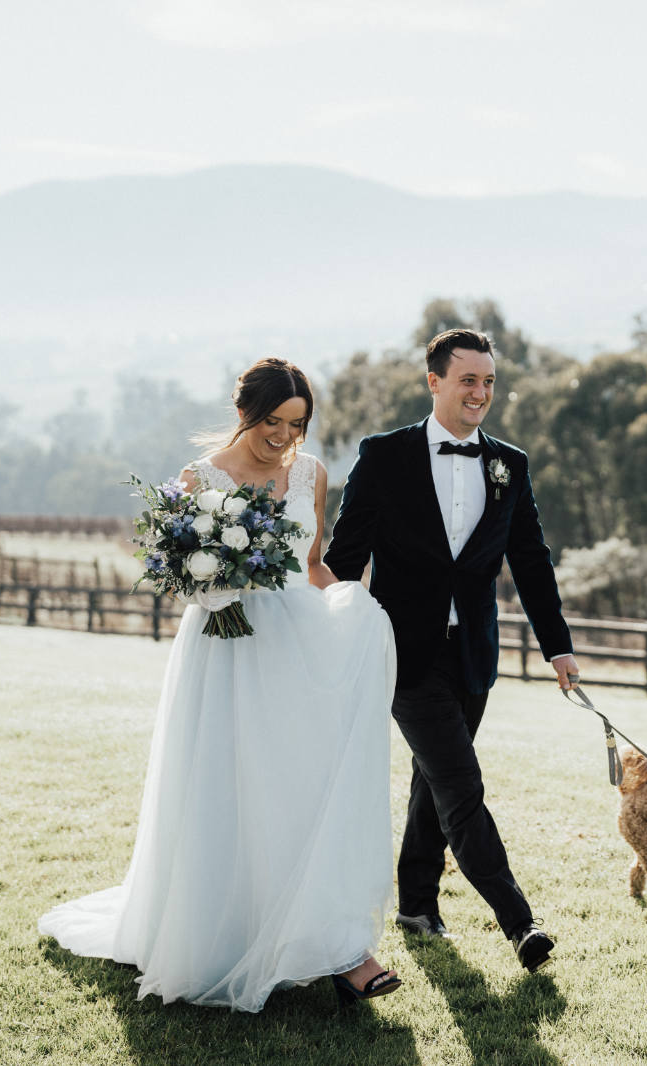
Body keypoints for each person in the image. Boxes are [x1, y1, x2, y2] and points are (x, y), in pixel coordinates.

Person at [39, 358, 403, 1011]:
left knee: (303, 787)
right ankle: (224, 937)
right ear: (245, 414)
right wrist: (210, 588)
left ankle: (337, 946)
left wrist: (352, 609)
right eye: (273, 423)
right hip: (225, 648)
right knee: (229, 786)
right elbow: (182, 575)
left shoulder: (313, 473)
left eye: (297, 424)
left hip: (299, 648)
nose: (284, 437)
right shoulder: (199, 481)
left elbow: (312, 564)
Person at [324, 328, 579, 973]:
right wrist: (328, 633)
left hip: (473, 655)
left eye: (489, 381)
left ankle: (416, 903)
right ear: (433, 381)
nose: (481, 393)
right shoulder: (385, 456)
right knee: (461, 784)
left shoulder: (509, 465)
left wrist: (558, 647)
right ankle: (520, 923)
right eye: (468, 380)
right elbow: (344, 558)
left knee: (432, 778)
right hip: (404, 655)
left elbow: (531, 560)